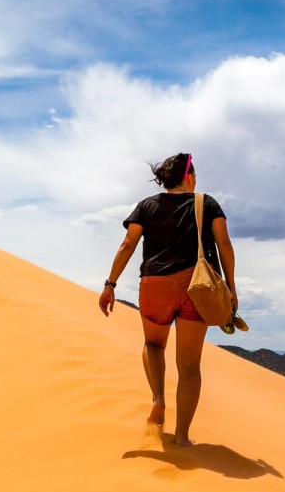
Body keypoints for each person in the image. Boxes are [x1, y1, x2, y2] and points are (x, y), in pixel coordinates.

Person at [98, 153, 237, 446]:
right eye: (195, 174)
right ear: (188, 177)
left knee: (152, 344)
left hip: (155, 285)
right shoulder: (207, 203)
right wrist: (231, 287)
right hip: (195, 286)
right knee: (189, 366)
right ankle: (183, 437)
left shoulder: (147, 206)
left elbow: (128, 244)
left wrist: (110, 284)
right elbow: (223, 243)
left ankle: (158, 398)